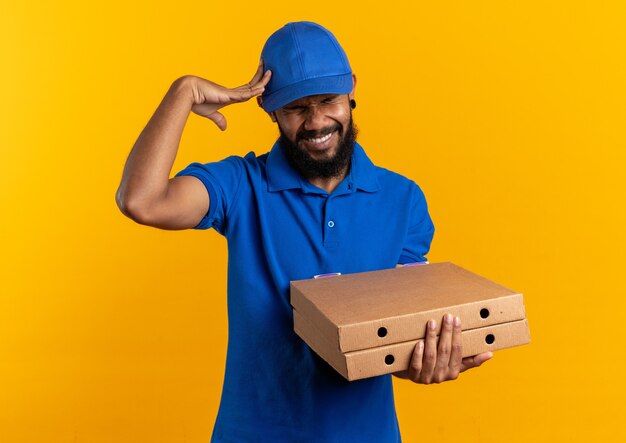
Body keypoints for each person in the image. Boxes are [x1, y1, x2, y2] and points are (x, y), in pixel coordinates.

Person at [116, 21, 492, 443]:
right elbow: (142, 201)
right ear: (270, 110)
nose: (316, 122)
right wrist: (183, 92)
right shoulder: (240, 185)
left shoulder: (402, 199)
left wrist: (425, 360)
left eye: (328, 100)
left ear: (351, 89)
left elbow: (393, 334)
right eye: (297, 108)